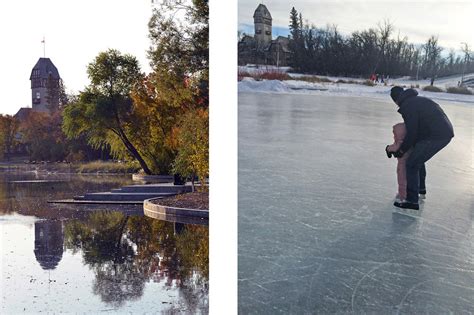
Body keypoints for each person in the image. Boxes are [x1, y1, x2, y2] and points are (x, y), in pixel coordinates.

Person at [386, 86, 454, 210]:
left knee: (411, 164)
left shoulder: (408, 106)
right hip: (442, 133)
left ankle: (412, 200)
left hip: (436, 136)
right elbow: (417, 129)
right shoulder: (416, 100)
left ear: (395, 100)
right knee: (418, 159)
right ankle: (420, 189)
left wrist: (401, 151)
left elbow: (412, 132)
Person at [385, 123, 411, 202]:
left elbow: (394, 147)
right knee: (409, 178)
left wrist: (388, 148)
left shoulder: (399, 143)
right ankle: (410, 192)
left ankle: (402, 195)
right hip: (411, 163)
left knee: (402, 178)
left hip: (402, 164)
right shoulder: (410, 142)